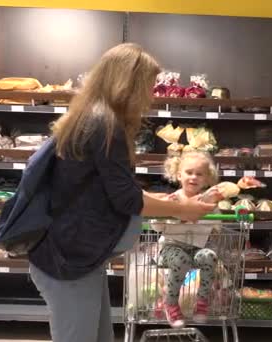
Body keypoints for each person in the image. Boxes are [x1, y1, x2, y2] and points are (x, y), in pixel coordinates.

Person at [27, 43, 216, 342]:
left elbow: (110, 187)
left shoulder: (92, 116)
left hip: (81, 256)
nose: (151, 95)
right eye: (148, 86)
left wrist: (158, 201)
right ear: (128, 84)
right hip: (69, 260)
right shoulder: (104, 124)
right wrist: (184, 209)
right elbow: (126, 198)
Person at [158, 151, 220, 328]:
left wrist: (211, 214)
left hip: (197, 248)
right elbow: (156, 227)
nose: (194, 177)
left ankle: (202, 302)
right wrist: (168, 212)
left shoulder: (208, 201)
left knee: (209, 256)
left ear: (207, 178)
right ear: (179, 174)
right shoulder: (173, 199)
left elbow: (217, 225)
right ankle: (170, 303)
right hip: (171, 248)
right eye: (189, 172)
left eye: (199, 174)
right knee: (180, 260)